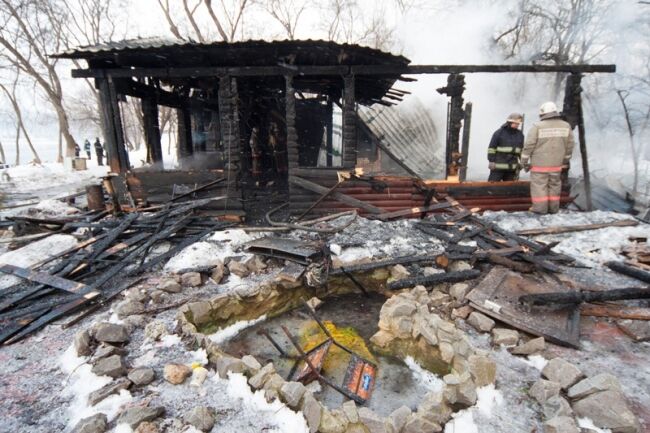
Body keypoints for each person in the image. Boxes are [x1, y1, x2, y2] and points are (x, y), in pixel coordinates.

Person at [521, 101, 575, 214]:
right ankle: (553, 209)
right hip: (556, 165)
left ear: (543, 114)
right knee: (554, 186)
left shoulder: (537, 127)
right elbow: (570, 145)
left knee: (540, 187)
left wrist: (524, 161)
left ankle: (540, 209)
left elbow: (529, 145)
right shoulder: (566, 126)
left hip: (539, 165)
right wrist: (564, 160)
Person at [487, 113, 524, 181]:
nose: (517, 125)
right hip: (498, 168)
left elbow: (521, 150)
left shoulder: (520, 134)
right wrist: (491, 161)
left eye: (518, 124)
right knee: (492, 187)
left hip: (511, 169)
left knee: (509, 189)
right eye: (515, 123)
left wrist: (522, 162)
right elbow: (492, 148)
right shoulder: (499, 133)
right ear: (509, 122)